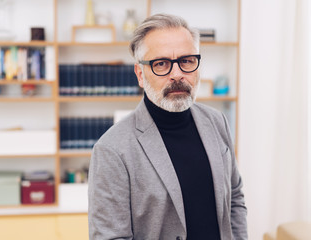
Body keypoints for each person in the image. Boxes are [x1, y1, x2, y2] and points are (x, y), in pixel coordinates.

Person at [88, 13, 247, 240]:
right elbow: (110, 236)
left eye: (187, 61)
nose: (177, 74)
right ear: (140, 74)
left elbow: (235, 198)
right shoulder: (112, 149)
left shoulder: (217, 121)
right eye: (161, 64)